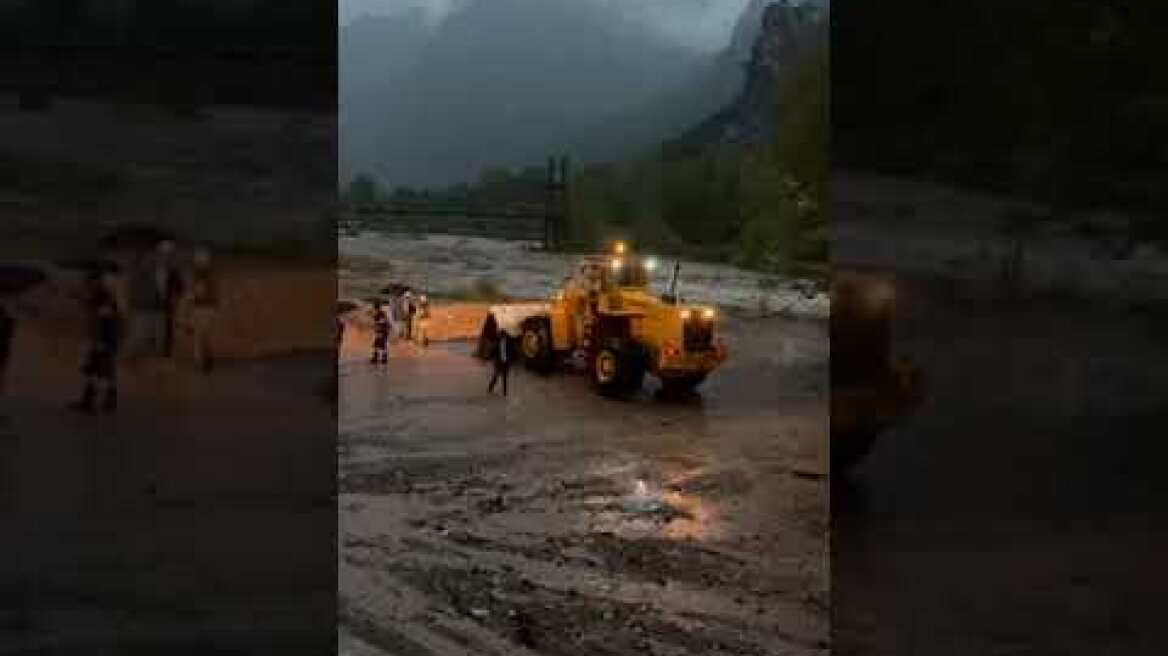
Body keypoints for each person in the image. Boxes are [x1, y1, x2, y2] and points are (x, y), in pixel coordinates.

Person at [71, 271, 122, 413]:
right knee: (98, 369)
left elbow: (106, 322)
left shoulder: (104, 299)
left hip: (103, 340)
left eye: (88, 282)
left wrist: (101, 342)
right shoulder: (98, 298)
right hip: (101, 340)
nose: (86, 286)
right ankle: (99, 400)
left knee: (98, 369)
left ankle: (94, 400)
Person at [187, 247, 219, 372]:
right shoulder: (199, 277)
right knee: (200, 337)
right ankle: (201, 361)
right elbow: (193, 294)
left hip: (205, 308)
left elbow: (211, 294)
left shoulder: (208, 278)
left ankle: (202, 361)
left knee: (202, 336)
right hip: (201, 308)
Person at [154, 240, 184, 357]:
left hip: (167, 305)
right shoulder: (151, 269)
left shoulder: (174, 271)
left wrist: (174, 298)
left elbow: (180, 288)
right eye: (164, 254)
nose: (166, 257)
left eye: (169, 254)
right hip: (152, 305)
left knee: (167, 329)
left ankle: (165, 352)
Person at [487, 329, 512, 396]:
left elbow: (511, 352)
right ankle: (490, 388)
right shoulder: (497, 342)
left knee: (504, 378)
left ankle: (504, 392)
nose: (503, 337)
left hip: (506, 362)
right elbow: (493, 351)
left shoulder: (508, 342)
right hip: (499, 362)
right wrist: (490, 358)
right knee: (496, 376)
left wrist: (510, 360)